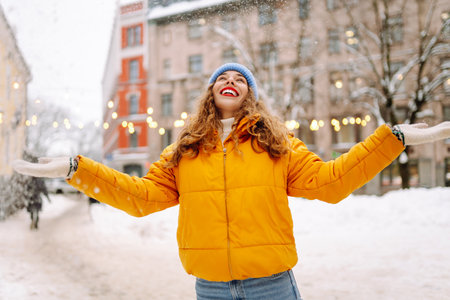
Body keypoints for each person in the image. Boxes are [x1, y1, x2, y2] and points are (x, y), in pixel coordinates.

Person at [12, 63, 450, 299]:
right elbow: (141, 198)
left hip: (272, 286)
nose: (230, 81)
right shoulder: (183, 149)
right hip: (211, 289)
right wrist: (77, 170)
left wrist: (391, 140)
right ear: (210, 94)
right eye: (222, 77)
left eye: (240, 79)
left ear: (249, 95)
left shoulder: (278, 144)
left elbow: (330, 183)